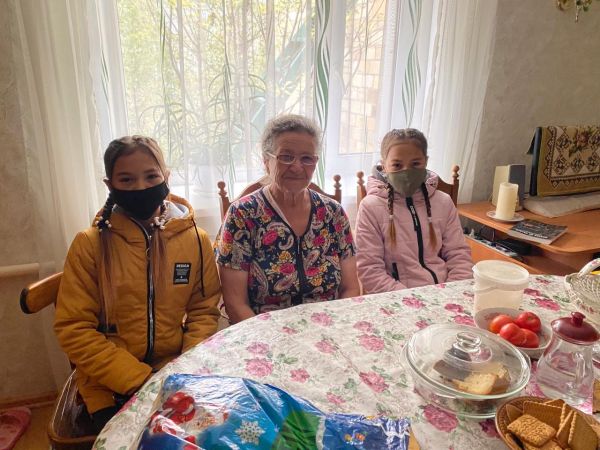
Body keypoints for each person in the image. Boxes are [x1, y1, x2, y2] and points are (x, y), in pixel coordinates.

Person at [54, 136, 221, 432]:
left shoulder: (196, 240)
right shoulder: (89, 245)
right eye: (127, 179)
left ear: (166, 177)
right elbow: (74, 328)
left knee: (212, 433)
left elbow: (204, 312)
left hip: (173, 371)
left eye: (151, 176)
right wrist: (139, 379)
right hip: (107, 383)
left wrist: (184, 370)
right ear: (110, 185)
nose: (140, 187)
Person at [216, 114, 360, 323]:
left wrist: (336, 329)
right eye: (286, 156)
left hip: (329, 328)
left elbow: (350, 288)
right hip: (263, 332)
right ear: (266, 161)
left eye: (307, 158)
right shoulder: (242, 215)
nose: (297, 167)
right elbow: (236, 304)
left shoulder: (333, 213)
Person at [355, 128, 472, 294]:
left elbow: (459, 256)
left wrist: (450, 293)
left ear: (426, 161)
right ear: (384, 165)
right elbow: (370, 270)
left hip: (445, 294)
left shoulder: (444, 202)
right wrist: (411, 299)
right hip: (396, 298)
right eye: (397, 165)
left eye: (415, 164)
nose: (407, 172)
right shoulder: (370, 207)